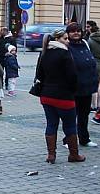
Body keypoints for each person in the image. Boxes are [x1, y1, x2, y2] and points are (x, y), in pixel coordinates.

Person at [36, 29, 84, 163]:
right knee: (69, 126)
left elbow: (39, 74)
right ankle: (74, 155)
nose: (68, 41)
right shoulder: (65, 54)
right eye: (65, 38)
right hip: (64, 96)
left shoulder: (44, 53)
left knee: (51, 124)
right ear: (57, 39)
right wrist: (73, 90)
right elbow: (72, 76)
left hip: (46, 95)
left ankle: (51, 155)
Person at [66, 22, 99, 148]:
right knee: (70, 116)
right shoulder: (67, 46)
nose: (76, 33)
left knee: (84, 115)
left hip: (87, 86)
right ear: (68, 33)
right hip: (73, 87)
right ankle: (68, 139)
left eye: (78, 31)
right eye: (73, 31)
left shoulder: (84, 43)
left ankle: (84, 138)